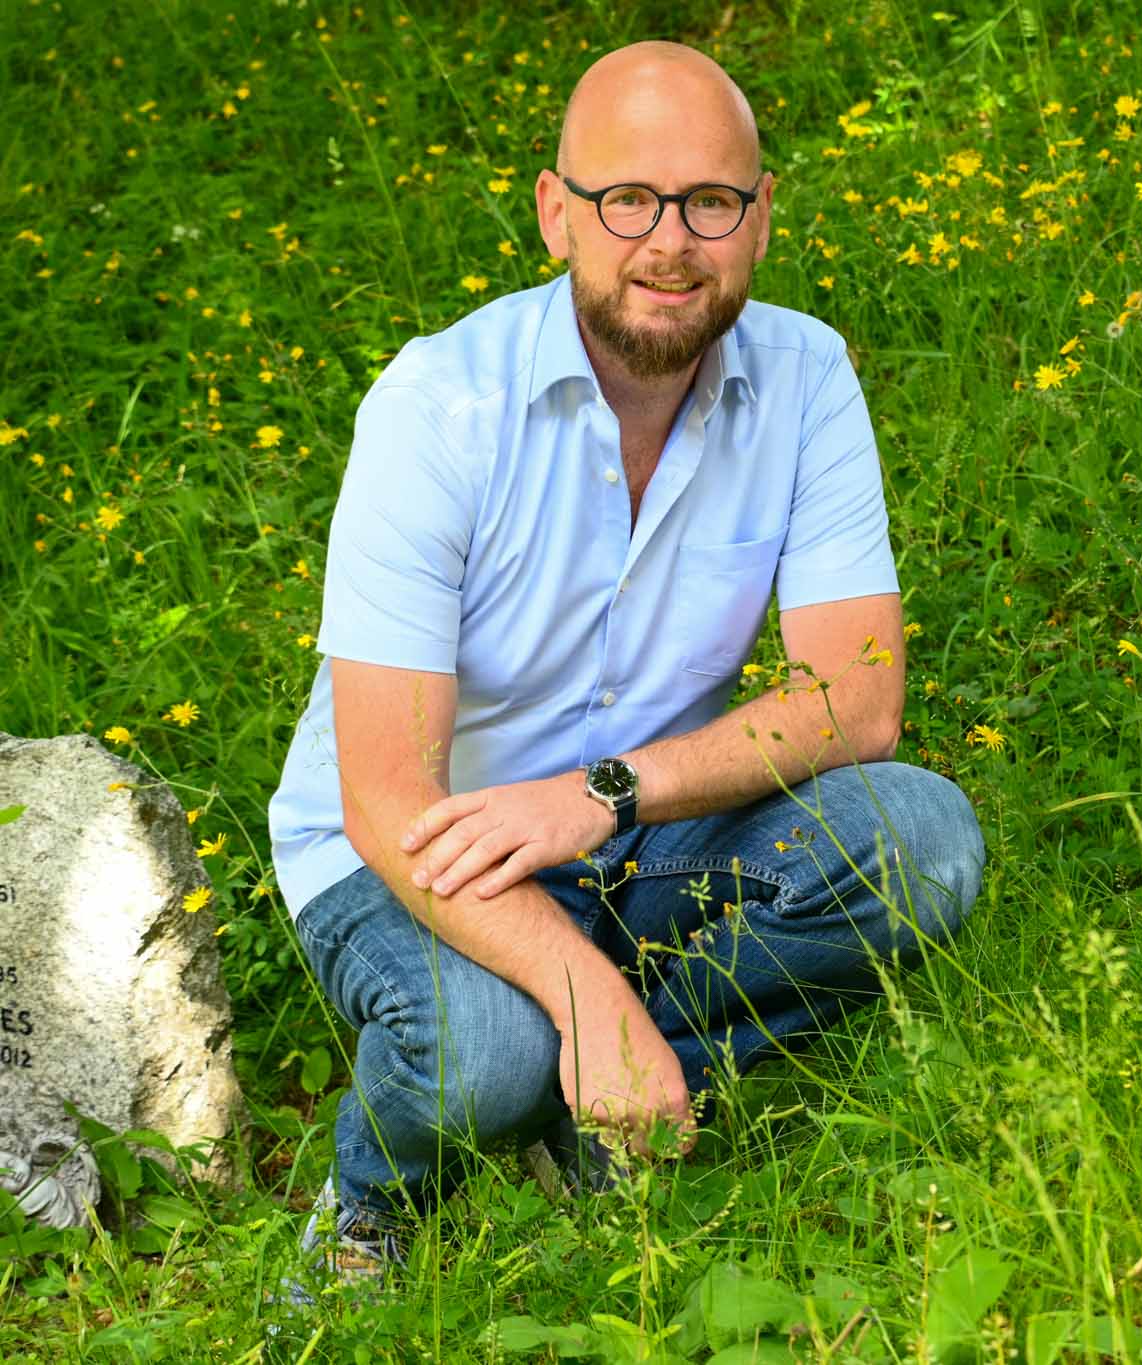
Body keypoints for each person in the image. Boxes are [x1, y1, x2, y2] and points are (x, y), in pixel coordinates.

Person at [266, 41, 984, 1292]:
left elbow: (856, 698)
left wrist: (599, 798)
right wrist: (582, 988)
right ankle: (373, 1207)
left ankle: (604, 1101)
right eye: (625, 201)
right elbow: (384, 804)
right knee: (480, 1051)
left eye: (710, 202)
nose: (669, 243)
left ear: (760, 218)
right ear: (556, 215)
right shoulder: (438, 408)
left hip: (637, 830)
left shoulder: (807, 379)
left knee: (920, 842)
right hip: (417, 850)